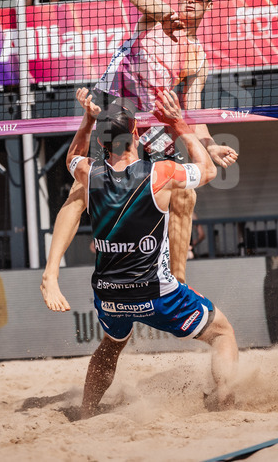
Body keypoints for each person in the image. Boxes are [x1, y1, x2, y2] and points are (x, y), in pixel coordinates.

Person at [42, 88, 238, 417]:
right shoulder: (159, 174)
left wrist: (87, 121)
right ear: (135, 133)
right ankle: (228, 405)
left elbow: (70, 158)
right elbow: (208, 171)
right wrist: (178, 124)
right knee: (222, 333)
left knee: (112, 345)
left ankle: (87, 411)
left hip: (108, 294)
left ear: (102, 142)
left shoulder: (89, 175)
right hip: (156, 293)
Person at [45, 0, 238, 287]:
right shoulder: (156, 20)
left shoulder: (198, 56)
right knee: (81, 189)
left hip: (153, 124)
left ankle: (177, 282)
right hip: (115, 112)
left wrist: (209, 144)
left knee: (185, 195)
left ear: (208, 6)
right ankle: (51, 274)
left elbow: (194, 107)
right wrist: (166, 15)